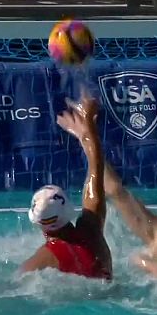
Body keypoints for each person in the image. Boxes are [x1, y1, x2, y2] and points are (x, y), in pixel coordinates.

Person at [20, 92, 112, 280]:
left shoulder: (43, 257)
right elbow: (96, 170)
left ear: (37, 222)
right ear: (69, 209)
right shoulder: (91, 231)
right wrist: (87, 129)